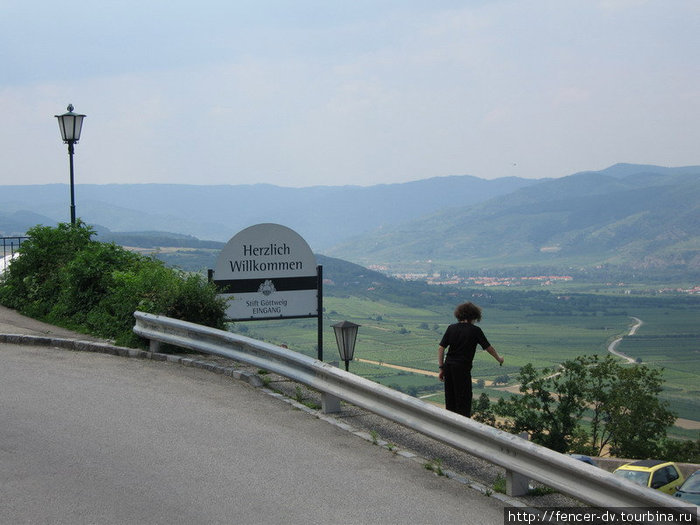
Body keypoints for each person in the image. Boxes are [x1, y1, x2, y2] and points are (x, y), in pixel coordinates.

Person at [437, 301, 504, 418]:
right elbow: (488, 348)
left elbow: (441, 348)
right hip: (462, 369)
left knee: (450, 399)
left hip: (448, 366)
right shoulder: (475, 330)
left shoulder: (451, 328)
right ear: (474, 315)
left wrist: (441, 368)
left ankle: (450, 427)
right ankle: (463, 430)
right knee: (464, 400)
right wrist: (499, 359)